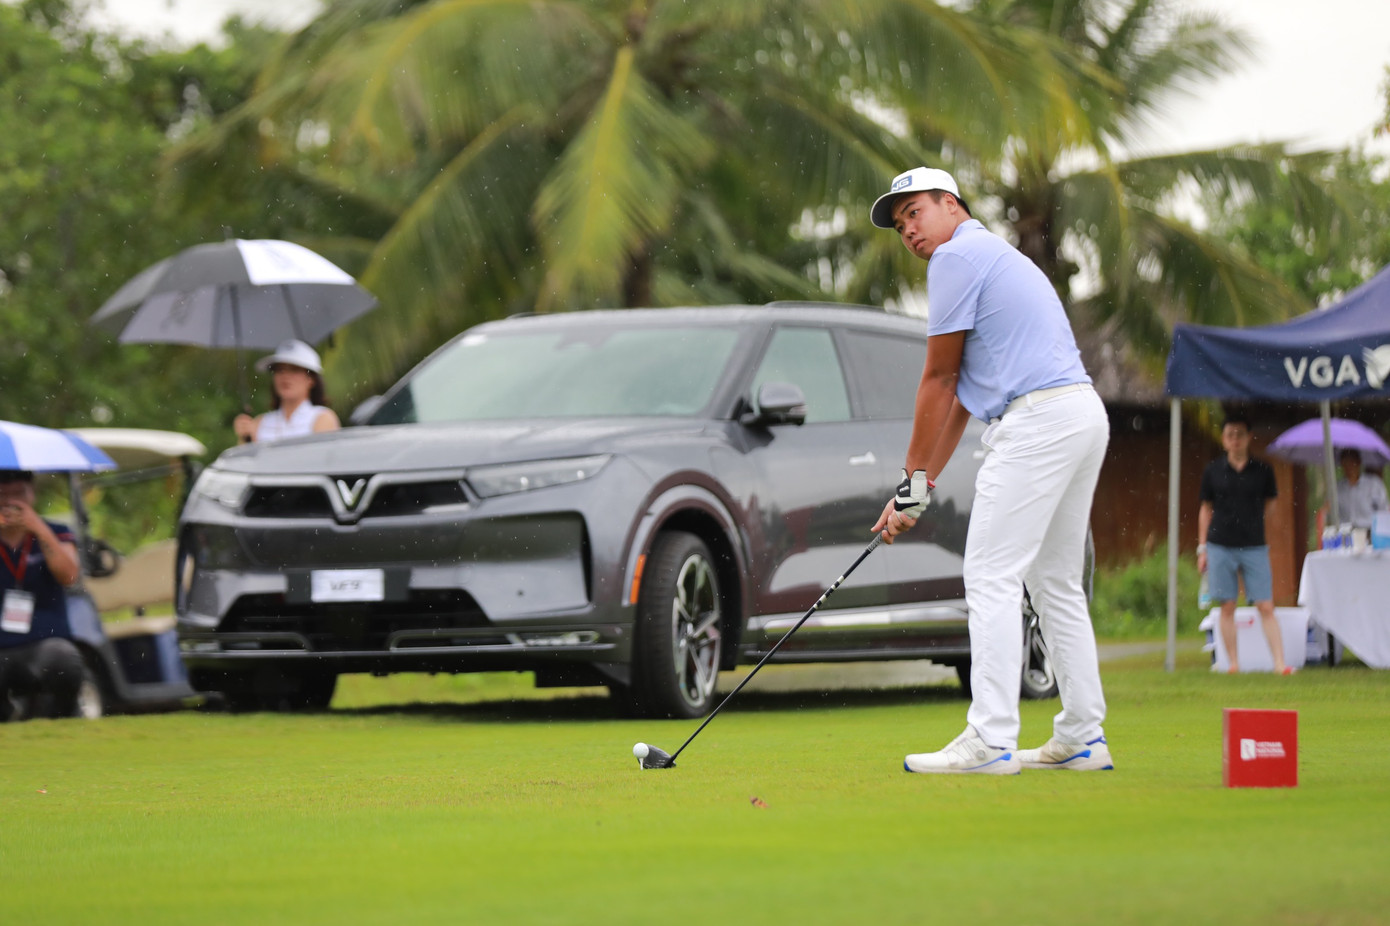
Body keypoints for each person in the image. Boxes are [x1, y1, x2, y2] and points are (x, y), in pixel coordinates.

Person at [868, 166, 1112, 775]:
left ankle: (992, 738)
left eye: (915, 213)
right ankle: (1082, 735)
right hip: (1079, 414)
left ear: (950, 204)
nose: (910, 232)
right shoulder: (987, 257)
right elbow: (959, 400)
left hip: (1040, 421)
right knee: (1052, 581)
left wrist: (908, 483)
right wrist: (918, 488)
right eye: (900, 226)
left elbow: (937, 379)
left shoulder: (955, 260)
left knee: (989, 573)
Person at [1197, 414, 1289, 674]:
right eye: (1230, 435)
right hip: (1220, 545)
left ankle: (1280, 664)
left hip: (1254, 545)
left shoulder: (1263, 471)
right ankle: (1233, 663)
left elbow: (1271, 504)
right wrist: (1202, 547)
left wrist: (1254, 524)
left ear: (1249, 438)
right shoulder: (1213, 471)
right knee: (1227, 605)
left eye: (1240, 434)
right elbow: (1205, 509)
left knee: (1265, 605)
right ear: (1224, 440)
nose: (1235, 440)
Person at [0, 470, 86, 721]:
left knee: (64, 659)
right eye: (2, 495)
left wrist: (37, 527)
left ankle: (59, 719)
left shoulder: (57, 532)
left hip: (44, 642)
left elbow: (69, 576)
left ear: (32, 494)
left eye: (18, 495)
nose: (10, 502)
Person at [233, 339, 341, 443]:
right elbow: (248, 461)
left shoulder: (322, 418)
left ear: (311, 379)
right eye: (279, 370)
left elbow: (322, 459)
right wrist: (245, 438)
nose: (285, 376)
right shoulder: (259, 423)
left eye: (294, 369)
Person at [1318, 448, 1388, 532]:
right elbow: (1328, 515)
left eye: (1351, 462)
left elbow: (1384, 511)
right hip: (1345, 533)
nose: (1348, 467)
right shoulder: (1336, 488)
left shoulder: (1374, 485)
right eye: (1345, 463)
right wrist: (1327, 510)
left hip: (1369, 532)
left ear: (1359, 463)